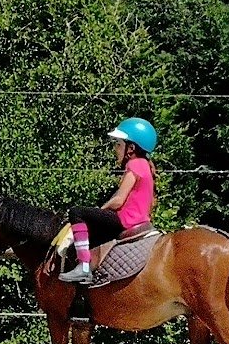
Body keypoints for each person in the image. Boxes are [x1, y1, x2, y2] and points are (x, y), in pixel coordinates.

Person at [58, 117, 157, 283]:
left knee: (77, 212)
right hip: (138, 220)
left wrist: (101, 209)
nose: (115, 149)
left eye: (118, 144)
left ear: (131, 148)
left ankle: (83, 266)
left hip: (126, 220)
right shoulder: (145, 165)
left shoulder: (134, 165)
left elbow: (119, 200)